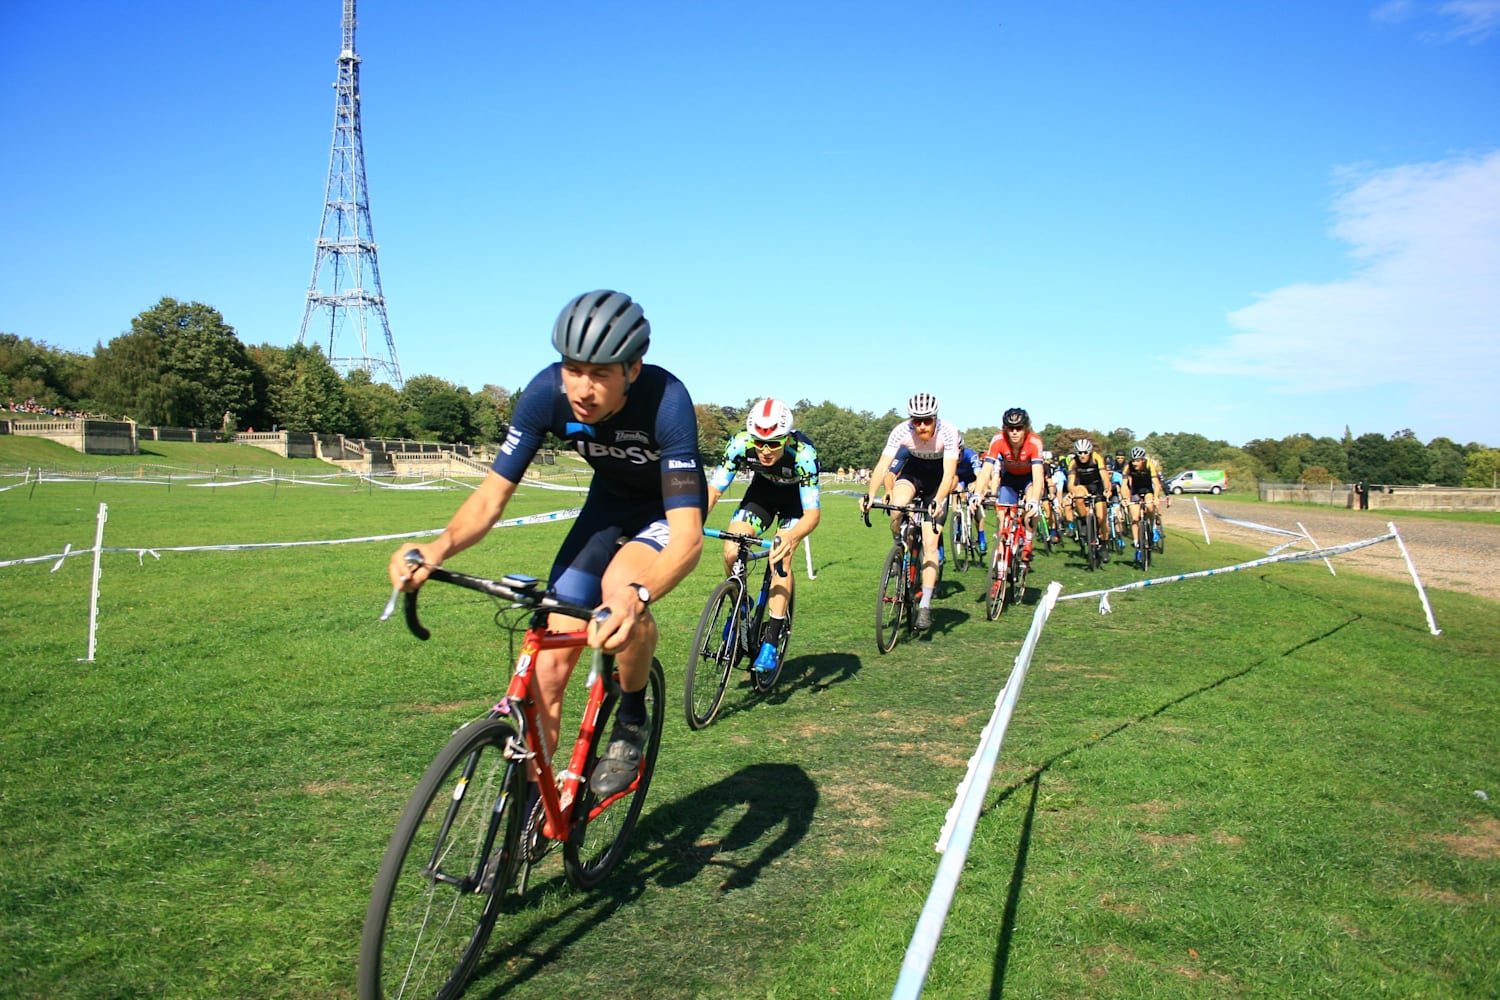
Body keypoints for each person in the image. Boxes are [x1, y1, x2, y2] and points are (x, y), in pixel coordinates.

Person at [388, 290, 705, 798]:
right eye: (573, 368)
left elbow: (688, 539)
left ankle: (629, 719)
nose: (582, 387)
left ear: (633, 369)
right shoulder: (544, 394)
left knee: (621, 587)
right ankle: (526, 815)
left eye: (600, 373)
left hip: (662, 512)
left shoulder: (667, 400)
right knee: (549, 668)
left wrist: (637, 596)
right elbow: (491, 498)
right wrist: (439, 546)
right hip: (605, 507)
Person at [705, 398, 821, 674]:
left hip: (796, 504)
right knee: (732, 548)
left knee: (780, 556)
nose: (765, 450)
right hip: (762, 496)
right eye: (759, 442)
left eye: (774, 443)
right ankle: (739, 608)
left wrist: (791, 538)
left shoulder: (804, 454)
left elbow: (813, 515)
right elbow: (713, 491)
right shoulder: (740, 444)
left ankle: (771, 638)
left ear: (787, 437)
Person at [860, 392, 960, 631]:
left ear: (936, 418)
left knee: (930, 542)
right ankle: (899, 545)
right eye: (917, 420)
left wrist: (938, 500)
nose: (922, 425)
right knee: (897, 506)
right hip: (914, 473)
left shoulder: (948, 432)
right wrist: (871, 494)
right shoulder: (901, 431)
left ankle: (925, 604)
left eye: (927, 420)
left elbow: (948, 475)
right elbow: (883, 466)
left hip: (938, 481)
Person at [979, 407, 1047, 560]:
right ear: (1005, 429)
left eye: (1019, 428)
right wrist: (977, 493)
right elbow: (985, 471)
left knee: (1030, 509)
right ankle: (1001, 566)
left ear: (1026, 428)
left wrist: (1035, 501)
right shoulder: (998, 440)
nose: (1014, 432)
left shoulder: (1034, 442)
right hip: (1009, 478)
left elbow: (1037, 477)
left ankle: (1028, 543)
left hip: (1029, 479)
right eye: (1011, 428)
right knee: (1002, 520)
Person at [1066, 437, 1112, 563]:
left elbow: (1104, 476)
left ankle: (1103, 545)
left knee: (1101, 518)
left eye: (1085, 452)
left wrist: (1107, 489)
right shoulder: (1073, 462)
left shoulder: (1097, 458)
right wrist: (1072, 491)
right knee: (1078, 495)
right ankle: (1085, 522)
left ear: (1090, 452)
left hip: (1098, 486)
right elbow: (1071, 482)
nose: (1082, 455)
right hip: (1084, 486)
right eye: (1079, 453)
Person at [1121, 446, 1165, 564]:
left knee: (1150, 506)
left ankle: (1153, 527)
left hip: (1148, 490)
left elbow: (1156, 484)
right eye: (1133, 460)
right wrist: (1125, 499)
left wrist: (1156, 498)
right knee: (1134, 518)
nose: (1135, 463)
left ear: (1143, 460)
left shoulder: (1149, 465)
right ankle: (1137, 545)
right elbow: (1124, 485)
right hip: (1135, 491)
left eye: (1138, 460)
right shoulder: (1128, 467)